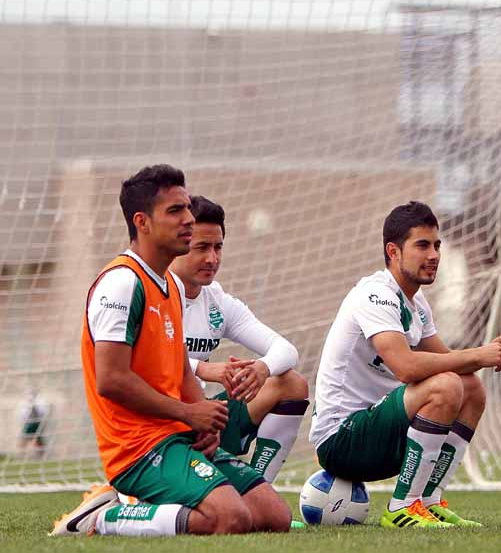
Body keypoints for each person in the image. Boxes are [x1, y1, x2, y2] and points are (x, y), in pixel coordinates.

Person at [51, 165, 290, 537]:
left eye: (187, 209)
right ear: (142, 222)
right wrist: (187, 412)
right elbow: (111, 380)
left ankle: (163, 504)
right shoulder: (121, 283)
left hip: (179, 434)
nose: (189, 219)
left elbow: (178, 368)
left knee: (274, 516)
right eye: (175, 211)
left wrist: (204, 422)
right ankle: (103, 517)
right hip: (137, 448)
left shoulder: (169, 285)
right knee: (231, 518)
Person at [310, 201, 501, 529]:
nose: (434, 255)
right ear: (393, 251)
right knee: (446, 385)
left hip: (383, 435)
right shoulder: (375, 295)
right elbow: (406, 367)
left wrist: (493, 350)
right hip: (342, 440)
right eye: (422, 245)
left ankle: (428, 501)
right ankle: (402, 508)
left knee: (470, 387)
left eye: (437, 245)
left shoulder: (416, 304)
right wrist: (479, 354)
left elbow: (449, 362)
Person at [170, 195, 310, 485]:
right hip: (161, 421)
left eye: (218, 247)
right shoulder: (154, 293)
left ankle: (258, 486)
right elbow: (142, 361)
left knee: (292, 383)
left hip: (205, 420)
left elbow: (286, 350)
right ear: (179, 245)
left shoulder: (217, 301)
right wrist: (202, 369)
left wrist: (261, 369)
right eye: (201, 248)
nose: (212, 259)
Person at [17, 390, 51, 459]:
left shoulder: (40, 401)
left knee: (36, 439)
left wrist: (40, 418)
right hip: (29, 423)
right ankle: (22, 455)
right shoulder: (24, 403)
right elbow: (22, 415)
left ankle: (42, 455)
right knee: (26, 439)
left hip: (37, 422)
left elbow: (43, 412)